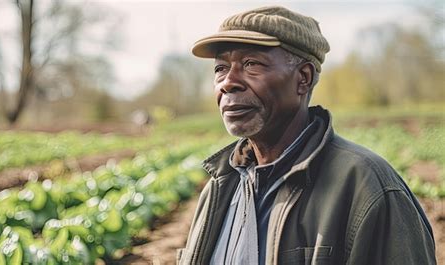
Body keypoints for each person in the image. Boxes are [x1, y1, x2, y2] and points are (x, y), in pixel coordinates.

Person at [177, 6, 436, 265]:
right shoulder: (219, 188)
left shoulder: (367, 188)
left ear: (303, 78)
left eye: (251, 64)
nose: (228, 82)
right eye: (220, 68)